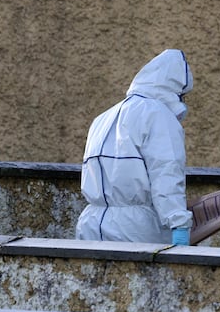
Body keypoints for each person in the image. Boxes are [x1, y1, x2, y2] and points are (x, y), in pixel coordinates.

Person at [75, 48, 194, 245]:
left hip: (90, 224)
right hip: (135, 229)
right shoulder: (159, 115)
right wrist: (179, 223)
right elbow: (166, 173)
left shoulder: (103, 118)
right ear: (175, 89)